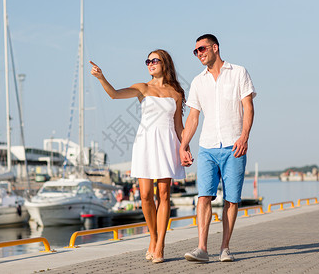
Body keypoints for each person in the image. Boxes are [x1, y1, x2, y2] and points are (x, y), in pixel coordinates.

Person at [90, 49, 186, 263]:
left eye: (155, 60)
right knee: (144, 196)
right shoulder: (142, 87)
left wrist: (184, 147)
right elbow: (114, 94)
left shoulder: (176, 92)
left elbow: (179, 126)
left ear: (165, 63)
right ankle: (152, 237)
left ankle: (160, 244)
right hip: (145, 143)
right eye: (148, 61)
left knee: (164, 194)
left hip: (167, 143)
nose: (150, 63)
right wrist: (101, 77)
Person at [180, 34, 256, 263]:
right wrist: (184, 146)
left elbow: (248, 107)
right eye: (195, 51)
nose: (199, 54)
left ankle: (225, 248)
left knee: (232, 199)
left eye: (202, 49)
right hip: (208, 146)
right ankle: (202, 248)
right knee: (203, 196)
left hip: (234, 145)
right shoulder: (197, 81)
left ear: (215, 48)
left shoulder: (239, 72)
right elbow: (193, 117)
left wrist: (244, 137)